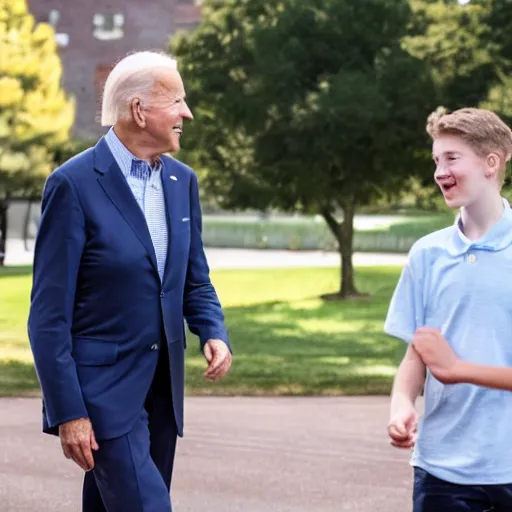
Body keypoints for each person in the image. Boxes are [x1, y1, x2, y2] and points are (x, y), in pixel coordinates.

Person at [27, 51, 232, 512]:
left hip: (162, 395)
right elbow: (47, 316)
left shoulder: (183, 181)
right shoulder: (73, 185)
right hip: (101, 399)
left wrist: (212, 331)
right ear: (139, 111)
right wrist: (69, 412)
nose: (187, 113)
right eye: (177, 101)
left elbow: (194, 279)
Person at [384, 106, 512, 511]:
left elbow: (446, 364)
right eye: (436, 160)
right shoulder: (427, 254)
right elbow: (418, 352)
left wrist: (456, 370)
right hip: (441, 472)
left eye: (451, 158)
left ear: (491, 162)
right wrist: (402, 402)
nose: (440, 171)